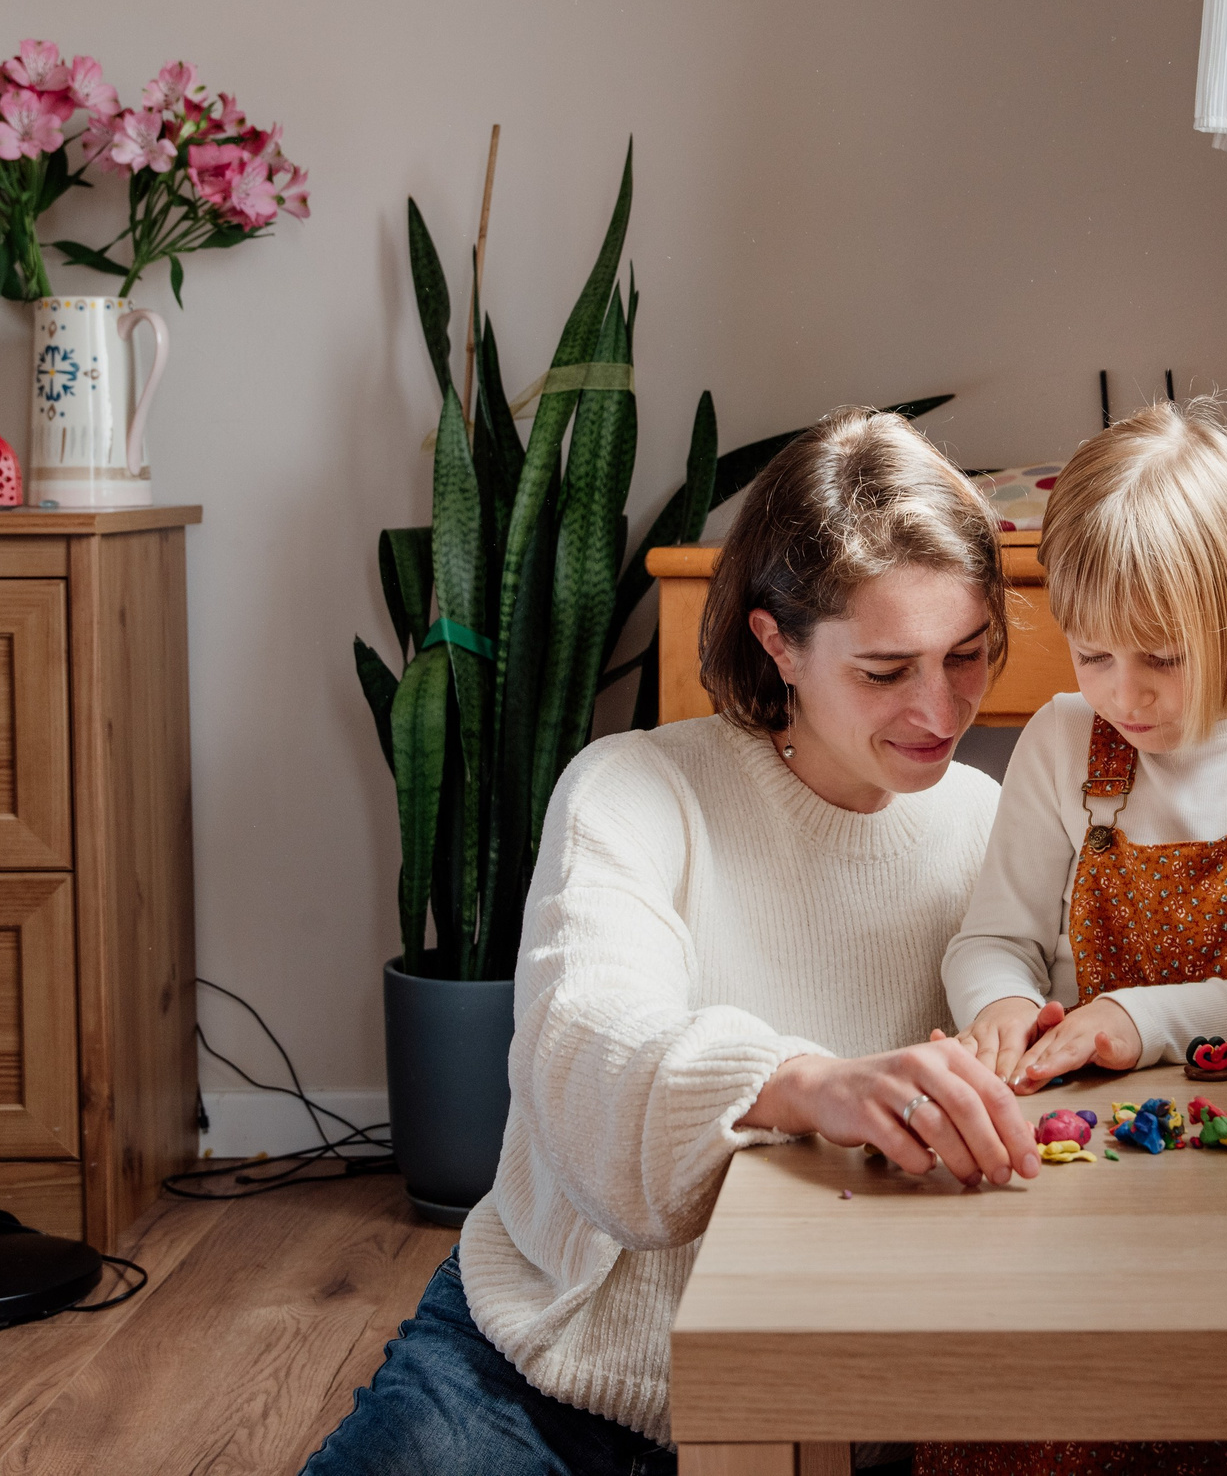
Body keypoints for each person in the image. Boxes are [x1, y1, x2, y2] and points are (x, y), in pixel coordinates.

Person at [302, 408, 1038, 1476]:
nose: (940, 706)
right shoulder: (633, 789)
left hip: (838, 1397)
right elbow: (586, 1051)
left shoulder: (989, 823)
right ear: (775, 641)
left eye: (968, 653)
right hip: (554, 1371)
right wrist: (801, 1081)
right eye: (885, 670)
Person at [922, 402, 1227, 1475]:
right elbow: (990, 938)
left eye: (1160, 655)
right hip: (1079, 1175)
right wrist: (1001, 1003)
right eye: (1093, 652)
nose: (1124, 694)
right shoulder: (1067, 739)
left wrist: (1130, 1019)